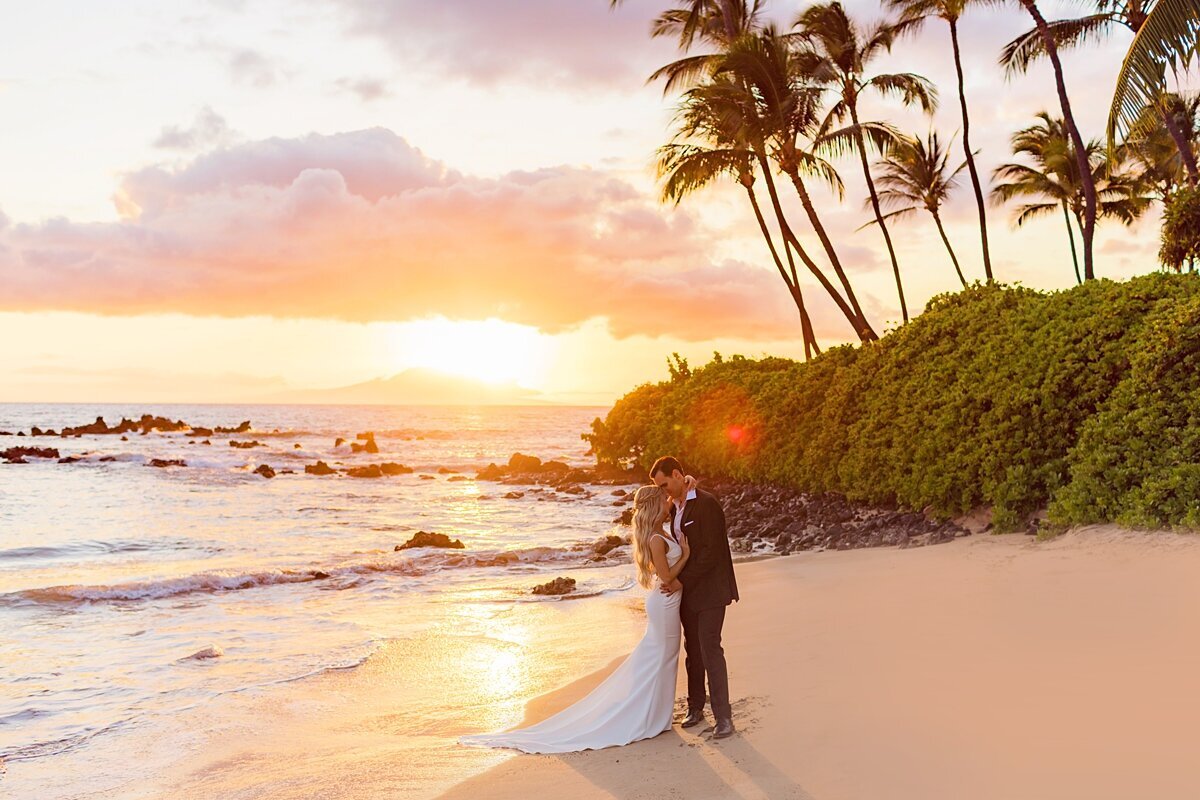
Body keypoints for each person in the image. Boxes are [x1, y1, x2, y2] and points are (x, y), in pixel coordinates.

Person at [458, 478, 694, 753]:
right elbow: (666, 576)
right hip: (664, 603)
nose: (669, 501)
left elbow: (667, 567)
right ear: (655, 506)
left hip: (665, 601)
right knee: (661, 658)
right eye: (663, 499)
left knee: (664, 659)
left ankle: (657, 717)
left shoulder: (659, 532)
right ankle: (649, 718)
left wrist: (687, 489)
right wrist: (686, 556)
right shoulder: (655, 539)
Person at [651, 455, 739, 739]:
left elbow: (712, 553)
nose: (663, 490)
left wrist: (680, 582)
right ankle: (696, 707)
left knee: (711, 648)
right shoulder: (673, 507)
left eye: (664, 484)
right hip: (688, 593)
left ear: (677, 474)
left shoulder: (707, 504)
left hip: (712, 589)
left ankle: (724, 718)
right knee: (694, 652)